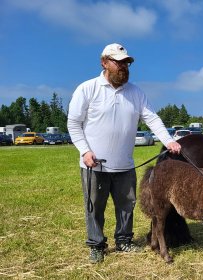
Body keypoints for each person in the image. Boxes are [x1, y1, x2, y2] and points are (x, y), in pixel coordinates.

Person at [68, 43, 181, 263]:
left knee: (126, 205)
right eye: (118, 62)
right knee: (95, 207)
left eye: (126, 63)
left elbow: (151, 118)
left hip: (125, 165)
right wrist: (85, 151)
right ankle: (97, 245)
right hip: (95, 165)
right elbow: (74, 124)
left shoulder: (135, 92)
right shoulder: (87, 88)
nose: (124, 67)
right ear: (104, 62)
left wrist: (168, 140)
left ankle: (124, 241)